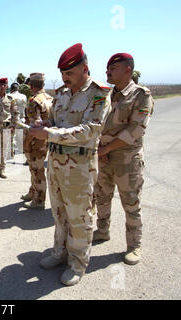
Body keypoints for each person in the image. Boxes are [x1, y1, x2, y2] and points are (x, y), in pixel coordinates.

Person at [28, 43, 111, 286]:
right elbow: (55, 120)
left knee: (79, 216)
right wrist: (42, 124)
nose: (66, 79)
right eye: (63, 74)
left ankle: (78, 263)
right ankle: (59, 253)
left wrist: (50, 134)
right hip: (55, 162)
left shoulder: (99, 94)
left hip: (80, 166)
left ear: (85, 68)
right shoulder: (62, 93)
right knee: (59, 212)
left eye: (70, 74)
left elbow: (90, 129)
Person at [93, 53, 154, 265]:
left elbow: (135, 130)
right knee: (102, 196)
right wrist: (101, 148)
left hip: (127, 161)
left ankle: (134, 246)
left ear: (127, 70)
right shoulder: (105, 95)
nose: (107, 71)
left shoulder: (140, 95)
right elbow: (97, 122)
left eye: (113, 68)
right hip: (104, 157)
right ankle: (102, 230)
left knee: (131, 203)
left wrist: (106, 148)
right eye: (107, 68)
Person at [21, 73, 52, 210]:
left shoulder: (34, 101)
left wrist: (26, 142)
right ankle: (33, 192)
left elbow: (34, 127)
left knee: (37, 171)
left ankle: (39, 200)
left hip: (35, 142)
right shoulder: (50, 98)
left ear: (31, 86)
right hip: (46, 140)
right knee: (34, 169)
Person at [0, 78, 19, 179]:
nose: (2, 86)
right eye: (0, 84)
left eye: (4, 84)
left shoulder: (10, 99)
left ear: (7, 86)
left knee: (4, 149)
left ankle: (2, 169)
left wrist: (13, 126)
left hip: (6, 126)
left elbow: (15, 113)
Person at [9, 82, 28, 156]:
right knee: (21, 136)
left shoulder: (9, 96)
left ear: (11, 89)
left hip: (12, 119)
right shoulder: (24, 96)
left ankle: (12, 151)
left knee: (12, 136)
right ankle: (22, 150)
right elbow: (25, 107)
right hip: (22, 119)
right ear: (18, 88)